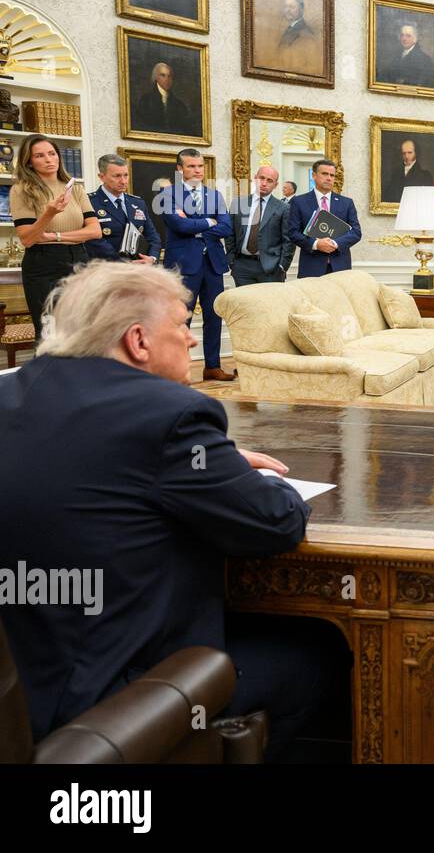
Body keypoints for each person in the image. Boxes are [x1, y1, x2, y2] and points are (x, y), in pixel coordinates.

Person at [0, 260, 343, 759]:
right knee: (322, 652)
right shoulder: (169, 414)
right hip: (115, 701)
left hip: (24, 694)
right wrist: (253, 476)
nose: (190, 338)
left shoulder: (9, 393)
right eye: (184, 323)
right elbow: (277, 521)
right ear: (138, 341)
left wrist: (211, 462)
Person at [10, 134, 99, 343]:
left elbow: (94, 231)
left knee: (81, 330)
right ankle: (49, 375)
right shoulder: (21, 190)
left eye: (52, 154)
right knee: (50, 333)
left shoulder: (75, 188)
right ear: (29, 162)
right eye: (40, 156)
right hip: (43, 265)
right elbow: (28, 238)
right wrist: (49, 213)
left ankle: (78, 376)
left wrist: (54, 235)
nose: (49, 159)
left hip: (79, 260)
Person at [161, 147, 233, 381]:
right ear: (180, 169)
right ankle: (178, 369)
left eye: (200, 166)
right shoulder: (167, 195)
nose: (197, 170)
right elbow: (179, 226)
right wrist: (210, 222)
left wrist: (199, 226)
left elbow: (226, 227)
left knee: (214, 316)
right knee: (182, 317)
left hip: (212, 263)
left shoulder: (215, 196)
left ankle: (212, 366)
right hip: (183, 264)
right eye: (191, 166)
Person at [287, 158, 362, 278]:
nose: (329, 178)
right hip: (311, 267)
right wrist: (316, 244)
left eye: (332, 175)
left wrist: (335, 243)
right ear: (314, 175)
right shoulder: (298, 202)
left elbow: (356, 232)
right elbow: (293, 233)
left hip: (340, 267)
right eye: (324, 174)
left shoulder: (347, 203)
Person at [85, 152, 160, 264]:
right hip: (106, 268)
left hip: (139, 268)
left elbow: (152, 236)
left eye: (126, 175)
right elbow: (93, 241)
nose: (124, 181)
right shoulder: (89, 202)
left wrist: (152, 258)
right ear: (102, 177)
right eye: (117, 176)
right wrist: (124, 263)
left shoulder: (138, 203)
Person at [228, 165, 294, 285]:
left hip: (271, 268)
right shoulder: (238, 203)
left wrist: (282, 266)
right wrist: (232, 260)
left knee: (269, 304)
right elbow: (230, 234)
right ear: (255, 178)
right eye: (261, 178)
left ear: (276, 185)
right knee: (244, 303)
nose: (264, 183)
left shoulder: (284, 208)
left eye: (269, 180)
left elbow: (288, 240)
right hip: (242, 267)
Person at [133, 61, 195, 136]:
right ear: (156, 77)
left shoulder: (180, 105)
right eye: (163, 75)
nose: (167, 79)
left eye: (169, 76)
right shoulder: (146, 100)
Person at [385, 22, 434, 88]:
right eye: (402, 35)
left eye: (408, 36)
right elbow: (387, 75)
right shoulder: (397, 56)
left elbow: (425, 84)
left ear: (415, 39)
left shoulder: (425, 59)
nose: (404, 39)